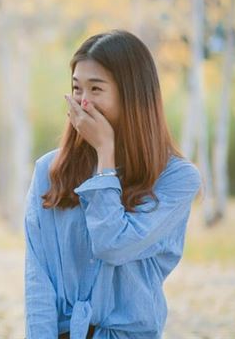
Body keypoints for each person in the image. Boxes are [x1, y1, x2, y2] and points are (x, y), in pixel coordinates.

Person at [23, 30, 203, 339]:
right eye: (77, 88)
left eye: (96, 89)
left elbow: (113, 245)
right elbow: (38, 277)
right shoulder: (49, 170)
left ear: (132, 95)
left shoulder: (177, 178)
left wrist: (105, 155)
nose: (83, 102)